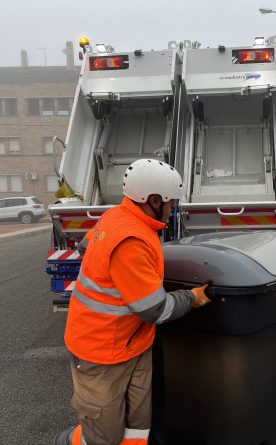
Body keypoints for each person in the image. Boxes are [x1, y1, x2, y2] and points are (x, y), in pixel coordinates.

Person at [55, 158, 211, 445]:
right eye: (171, 202)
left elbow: (84, 245)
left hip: (132, 341)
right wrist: (192, 297)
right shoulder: (131, 240)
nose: (173, 208)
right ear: (153, 200)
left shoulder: (118, 216)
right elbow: (156, 309)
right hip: (102, 350)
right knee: (104, 433)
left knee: (138, 423)